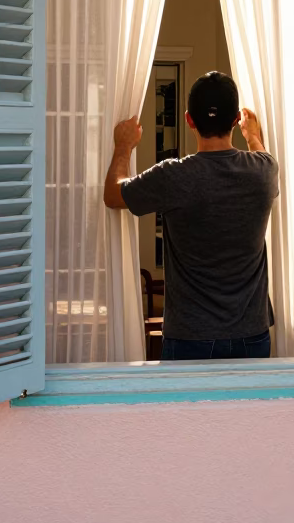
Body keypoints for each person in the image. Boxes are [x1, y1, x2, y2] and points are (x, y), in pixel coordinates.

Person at [103, 71, 279, 360]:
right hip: (251, 336)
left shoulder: (174, 176)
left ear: (189, 120)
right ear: (236, 119)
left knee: (183, 408)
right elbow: (262, 155)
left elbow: (113, 195)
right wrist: (254, 137)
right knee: (248, 407)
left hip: (189, 338)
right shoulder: (264, 171)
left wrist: (123, 147)